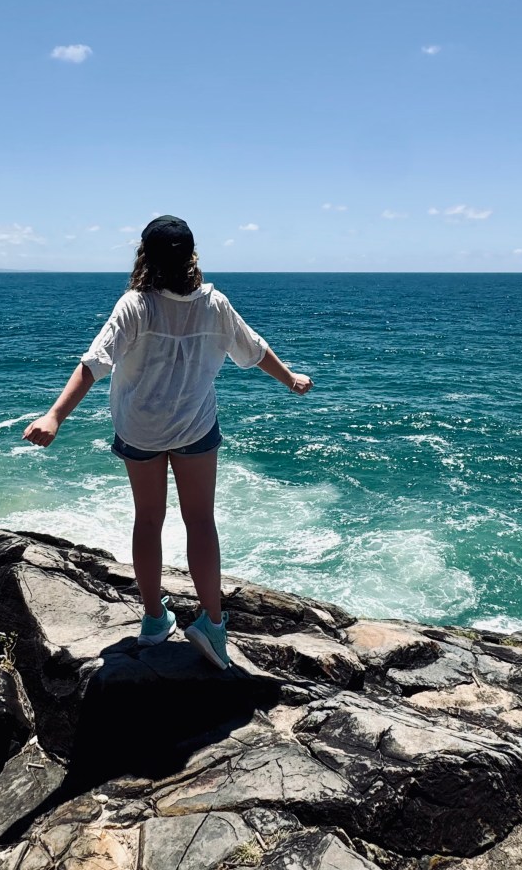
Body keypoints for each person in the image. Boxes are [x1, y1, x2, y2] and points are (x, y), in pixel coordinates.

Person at [23, 215, 313, 670]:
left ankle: (156, 618)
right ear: (192, 255)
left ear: (145, 255)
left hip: (140, 430)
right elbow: (253, 349)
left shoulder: (136, 305)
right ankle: (212, 624)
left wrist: (55, 415)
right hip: (195, 427)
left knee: (148, 520)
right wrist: (290, 378)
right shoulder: (214, 304)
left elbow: (93, 364)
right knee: (200, 522)